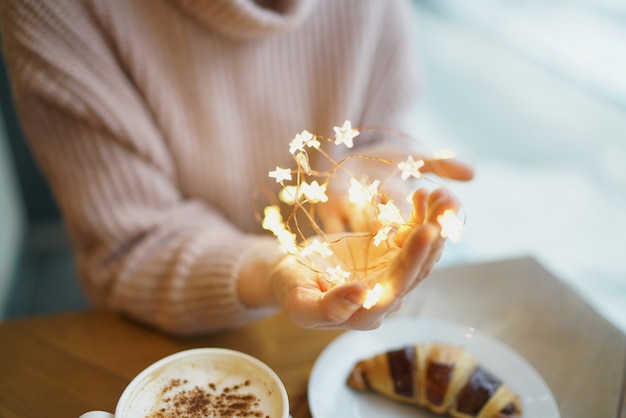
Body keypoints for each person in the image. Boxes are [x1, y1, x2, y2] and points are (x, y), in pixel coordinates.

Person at [0, 0, 473, 336]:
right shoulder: (56, 10)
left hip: (337, 338)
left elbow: (378, 136)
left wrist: (379, 180)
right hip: (160, 341)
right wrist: (270, 271)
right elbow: (133, 242)